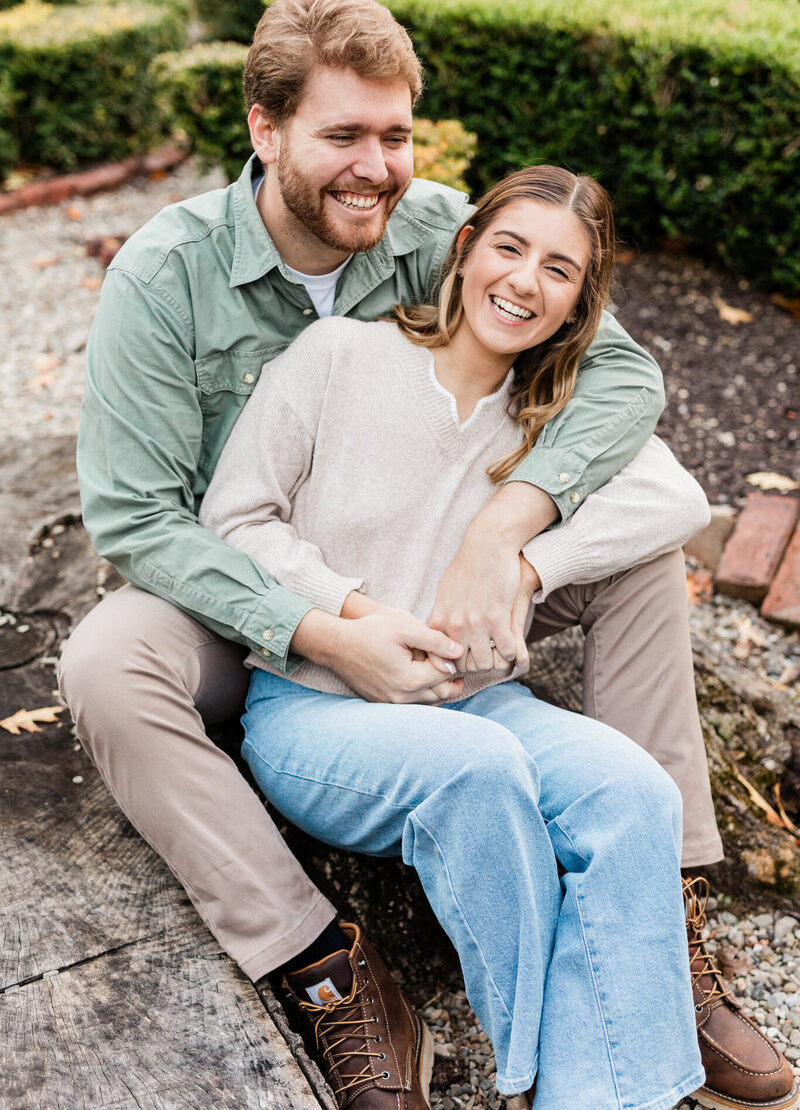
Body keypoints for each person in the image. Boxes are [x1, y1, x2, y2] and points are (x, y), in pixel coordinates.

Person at [56, 0, 797, 1110]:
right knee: (105, 664)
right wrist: (326, 628)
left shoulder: (442, 230)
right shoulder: (170, 278)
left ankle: (657, 927)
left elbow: (622, 374)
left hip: (448, 602)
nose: (375, 166)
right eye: (342, 135)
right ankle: (326, 967)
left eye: (394, 135)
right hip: (237, 596)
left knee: (639, 557)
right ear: (264, 132)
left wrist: (510, 533)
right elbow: (140, 520)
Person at [197, 164, 703, 1110]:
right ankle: (536, 1073)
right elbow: (237, 521)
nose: (525, 281)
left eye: (560, 270)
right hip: (313, 706)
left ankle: (598, 1098)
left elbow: (678, 498)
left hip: (478, 703)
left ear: (577, 306)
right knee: (476, 769)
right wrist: (355, 615)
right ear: (465, 251)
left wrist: (518, 557)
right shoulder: (339, 355)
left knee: (633, 790)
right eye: (509, 247)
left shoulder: (551, 422)